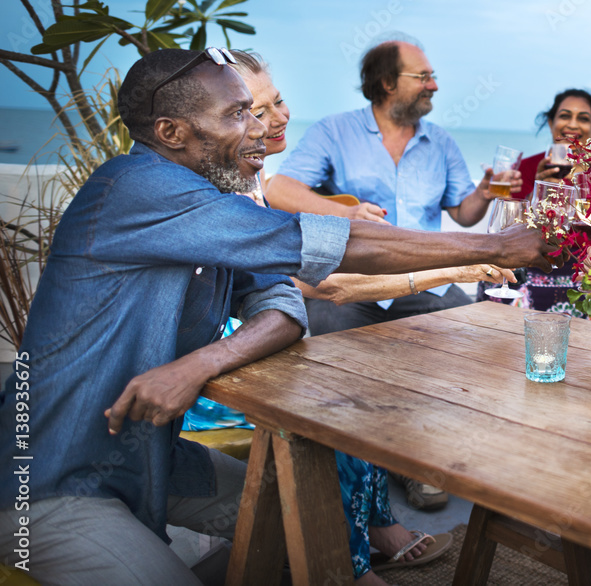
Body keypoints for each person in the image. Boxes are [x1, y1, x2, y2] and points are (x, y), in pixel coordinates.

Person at [0, 48, 557, 584]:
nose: (259, 128)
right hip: (48, 479)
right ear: (171, 133)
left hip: (148, 460)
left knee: (324, 531)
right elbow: (330, 245)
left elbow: (284, 306)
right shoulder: (136, 188)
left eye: (255, 109)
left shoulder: (216, 208)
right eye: (238, 114)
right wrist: (492, 249)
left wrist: (200, 364)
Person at [182, 50, 513, 583]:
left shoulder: (244, 183)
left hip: (271, 334)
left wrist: (469, 255)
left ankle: (388, 510)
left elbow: (332, 275)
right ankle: (349, 567)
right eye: (257, 110)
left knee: (359, 377)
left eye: (279, 100)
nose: (280, 117)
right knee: (334, 393)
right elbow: (329, 279)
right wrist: (468, 256)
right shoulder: (238, 195)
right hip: (218, 380)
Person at [266, 37, 514, 509]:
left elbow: (463, 214)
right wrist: (344, 215)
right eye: (422, 77)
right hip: (351, 286)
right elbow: (280, 188)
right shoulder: (334, 131)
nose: (434, 85)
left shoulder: (440, 141)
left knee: (491, 340)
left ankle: (449, 452)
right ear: (385, 82)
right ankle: (372, 475)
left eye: (431, 77)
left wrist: (486, 190)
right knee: (334, 364)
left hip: (427, 280)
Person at [479, 89, 591, 321]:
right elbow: (508, 231)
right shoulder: (528, 168)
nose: (573, 124)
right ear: (551, 123)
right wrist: (538, 193)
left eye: (583, 118)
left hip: (585, 274)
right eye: (565, 115)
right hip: (533, 269)